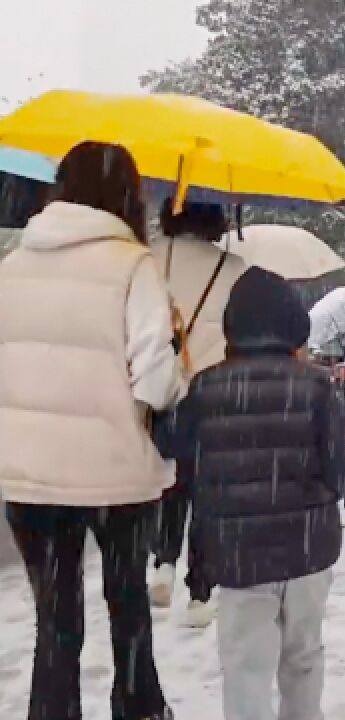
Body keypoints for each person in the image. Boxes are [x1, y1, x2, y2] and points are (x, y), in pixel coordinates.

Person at [0, 142, 183, 720]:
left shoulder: (12, 266)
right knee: (127, 604)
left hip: (29, 475)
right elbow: (155, 384)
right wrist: (175, 350)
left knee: (55, 616)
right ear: (127, 196)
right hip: (115, 476)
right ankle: (139, 707)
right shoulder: (132, 266)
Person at [171, 267, 345, 720]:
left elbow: (180, 460)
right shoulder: (316, 386)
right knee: (304, 659)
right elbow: (337, 472)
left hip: (238, 556)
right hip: (308, 548)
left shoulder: (206, 388)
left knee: (246, 669)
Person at [149, 198, 250, 628]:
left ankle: (162, 564)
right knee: (208, 492)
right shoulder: (234, 268)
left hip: (166, 387)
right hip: (217, 393)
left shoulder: (150, 258)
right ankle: (200, 592)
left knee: (171, 480)